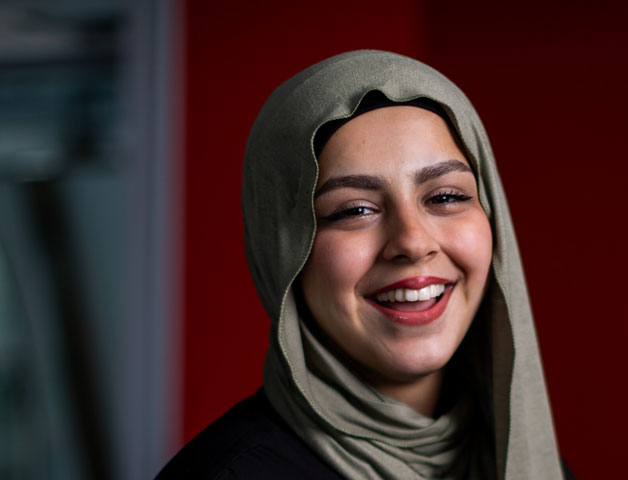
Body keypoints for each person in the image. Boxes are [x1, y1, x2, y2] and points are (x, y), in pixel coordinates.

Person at [157, 50, 573, 479]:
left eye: (446, 197)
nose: (412, 242)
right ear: (281, 251)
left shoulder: (524, 460)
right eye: (355, 210)